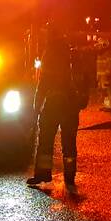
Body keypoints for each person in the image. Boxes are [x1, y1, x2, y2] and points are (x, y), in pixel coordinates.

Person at [27, 19, 83, 189]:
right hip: (70, 104)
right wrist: (80, 100)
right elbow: (81, 80)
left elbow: (43, 82)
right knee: (69, 143)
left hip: (53, 103)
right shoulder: (71, 53)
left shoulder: (50, 52)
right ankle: (70, 175)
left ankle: (43, 174)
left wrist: (36, 107)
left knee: (45, 140)